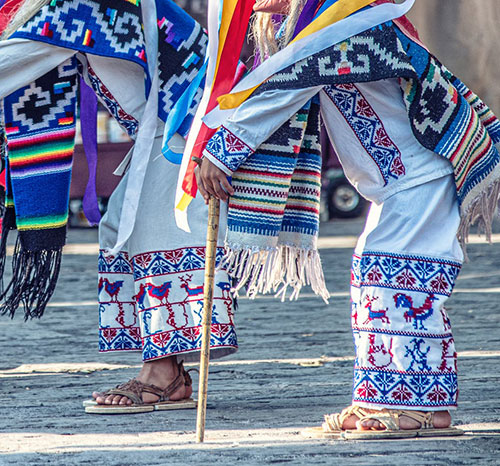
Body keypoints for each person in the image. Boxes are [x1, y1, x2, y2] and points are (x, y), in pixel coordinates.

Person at [197, 0, 500, 439]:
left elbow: (285, 89)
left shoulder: (343, 23)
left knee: (397, 283)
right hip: (405, 179)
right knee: (377, 282)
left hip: (421, 174)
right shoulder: (325, 26)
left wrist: (223, 151)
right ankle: (394, 399)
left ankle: (419, 407)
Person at [0, 0, 237, 413]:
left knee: (154, 234)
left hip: (192, 129)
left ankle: (162, 376)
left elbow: (9, 65)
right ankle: (169, 373)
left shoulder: (67, 9)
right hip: (173, 127)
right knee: (119, 233)